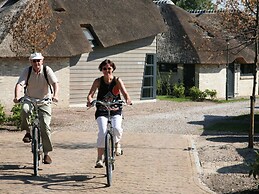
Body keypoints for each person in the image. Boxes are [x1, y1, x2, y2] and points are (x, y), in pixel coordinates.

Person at [13, 52, 59, 164]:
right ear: (31, 62)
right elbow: (19, 84)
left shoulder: (47, 70)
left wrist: (55, 95)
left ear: (42, 61)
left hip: (44, 101)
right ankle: (28, 132)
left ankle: (46, 153)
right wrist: (17, 96)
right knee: (24, 109)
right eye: (34, 61)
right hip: (30, 99)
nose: (36, 63)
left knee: (45, 127)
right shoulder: (27, 71)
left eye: (38, 60)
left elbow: (55, 83)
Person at [87, 59, 131, 168]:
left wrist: (128, 100)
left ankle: (117, 143)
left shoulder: (117, 81)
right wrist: (89, 101)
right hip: (102, 110)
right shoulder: (98, 81)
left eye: (109, 68)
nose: (107, 71)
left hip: (116, 110)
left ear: (113, 69)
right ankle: (99, 158)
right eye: (105, 69)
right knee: (102, 132)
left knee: (117, 128)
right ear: (101, 70)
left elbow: (125, 93)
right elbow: (90, 94)